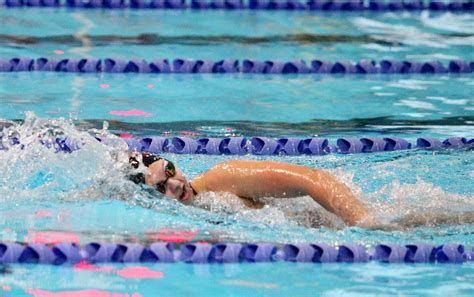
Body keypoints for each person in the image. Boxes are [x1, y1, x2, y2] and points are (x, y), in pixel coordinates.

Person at [128, 152, 377, 228]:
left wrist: (363, 221)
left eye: (170, 171)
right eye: (161, 187)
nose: (176, 185)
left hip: (342, 224)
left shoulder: (222, 177)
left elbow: (312, 178)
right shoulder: (189, 211)